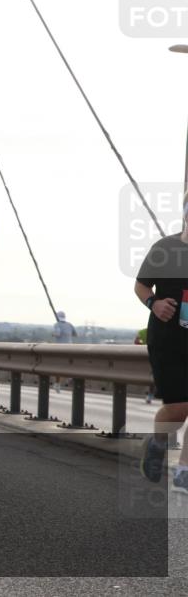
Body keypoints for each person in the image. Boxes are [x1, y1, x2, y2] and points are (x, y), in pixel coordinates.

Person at [135, 190, 188, 493]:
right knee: (179, 408)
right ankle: (156, 443)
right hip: (167, 339)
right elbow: (141, 285)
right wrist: (154, 303)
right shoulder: (165, 248)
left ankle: (184, 471)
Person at [51, 310, 77, 392]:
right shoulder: (69, 324)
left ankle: (57, 384)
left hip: (60, 349)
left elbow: (57, 334)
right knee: (69, 364)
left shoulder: (57, 325)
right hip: (70, 348)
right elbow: (75, 334)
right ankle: (70, 377)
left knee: (58, 366)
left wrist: (53, 334)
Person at [135, 327, 155, 404]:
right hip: (154, 358)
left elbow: (136, 343)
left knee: (150, 378)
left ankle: (149, 395)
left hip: (144, 359)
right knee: (153, 378)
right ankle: (150, 395)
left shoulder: (142, 332)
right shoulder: (161, 331)